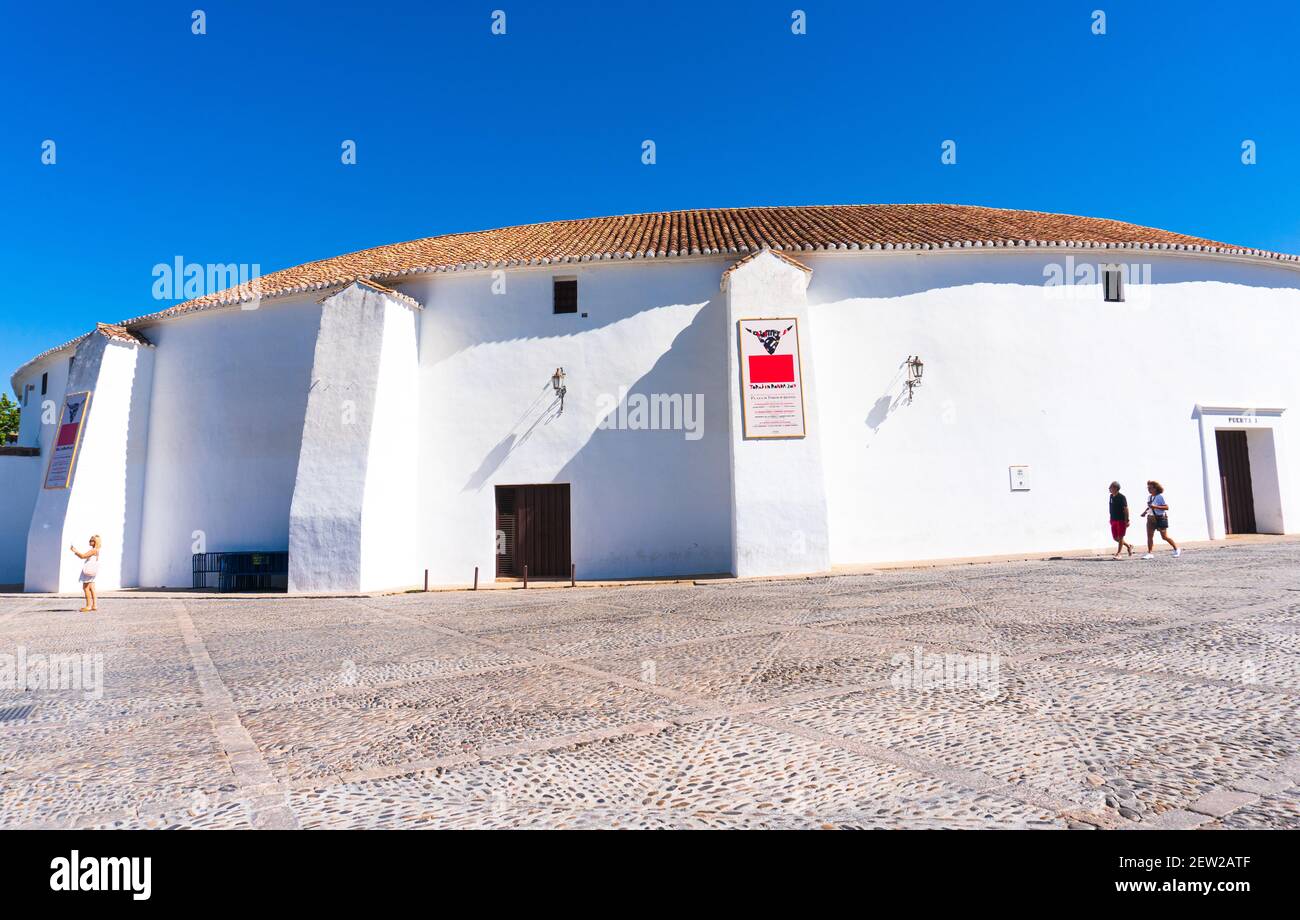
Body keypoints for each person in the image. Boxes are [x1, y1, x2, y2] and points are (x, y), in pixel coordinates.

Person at [1141, 481, 1180, 559]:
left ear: (1155, 488)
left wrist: (1155, 507)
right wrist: (1145, 512)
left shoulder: (1160, 496)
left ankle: (1176, 549)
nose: (1148, 489)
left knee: (1164, 537)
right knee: (1149, 536)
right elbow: (1150, 506)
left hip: (1159, 518)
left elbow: (1166, 507)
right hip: (1150, 518)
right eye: (1148, 488)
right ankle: (1150, 553)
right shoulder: (1150, 497)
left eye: (1150, 488)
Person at [69, 535, 101, 612]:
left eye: (91, 540)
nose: (89, 541)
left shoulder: (93, 550)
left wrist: (75, 551)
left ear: (95, 542)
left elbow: (83, 556)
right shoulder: (96, 550)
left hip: (88, 571)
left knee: (86, 588)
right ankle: (94, 605)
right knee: (92, 588)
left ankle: (88, 606)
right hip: (92, 571)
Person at [1108, 481, 1133, 558]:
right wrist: (1110, 519)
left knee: (1121, 536)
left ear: (1115, 488)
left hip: (1121, 520)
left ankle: (1118, 554)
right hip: (1113, 520)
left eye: (1111, 487)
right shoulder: (1111, 496)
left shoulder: (1122, 497)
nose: (1109, 488)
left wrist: (1127, 520)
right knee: (1115, 538)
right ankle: (1129, 546)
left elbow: (1126, 509)